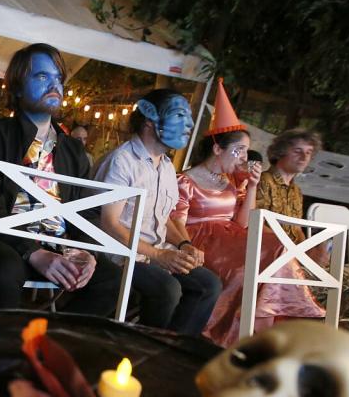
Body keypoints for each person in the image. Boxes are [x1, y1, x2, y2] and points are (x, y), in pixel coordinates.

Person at [0, 43, 121, 315]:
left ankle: (51, 346)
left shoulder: (73, 149)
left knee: (110, 280)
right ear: (18, 87)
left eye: (58, 78)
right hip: (2, 240)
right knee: (3, 270)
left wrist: (87, 252)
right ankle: (2, 350)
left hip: (58, 243)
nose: (55, 85)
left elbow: (87, 212)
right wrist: (33, 252)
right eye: (42, 76)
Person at [172, 80, 324, 346]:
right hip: (200, 237)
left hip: (230, 235)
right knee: (247, 267)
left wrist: (250, 186)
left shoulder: (231, 181)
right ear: (218, 149)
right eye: (239, 150)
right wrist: (185, 245)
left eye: (244, 151)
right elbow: (176, 221)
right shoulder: (186, 180)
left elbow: (242, 222)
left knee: (272, 248)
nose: (243, 158)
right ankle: (229, 335)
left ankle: (273, 329)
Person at [94, 88, 222, 336]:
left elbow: (168, 219)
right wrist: (157, 254)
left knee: (208, 284)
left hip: (154, 255)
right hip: (119, 256)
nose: (190, 124)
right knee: (168, 288)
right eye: (179, 115)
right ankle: (141, 349)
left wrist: (184, 244)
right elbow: (109, 224)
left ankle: (172, 348)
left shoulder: (166, 166)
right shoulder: (123, 161)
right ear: (150, 120)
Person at [256, 128, 323, 244]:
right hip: (267, 253)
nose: (304, 157)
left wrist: (308, 250)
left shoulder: (296, 191)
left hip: (290, 254)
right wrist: (293, 251)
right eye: (297, 151)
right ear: (280, 153)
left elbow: (296, 229)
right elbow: (255, 224)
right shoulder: (263, 181)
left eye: (308, 152)